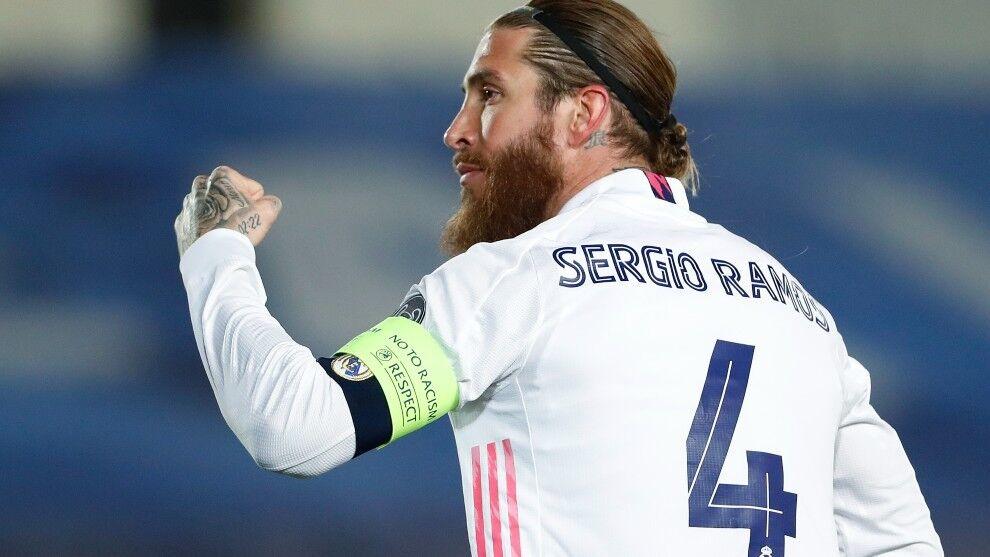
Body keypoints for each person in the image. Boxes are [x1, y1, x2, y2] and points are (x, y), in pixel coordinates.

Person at [174, 1, 942, 555]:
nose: (456, 130)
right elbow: (904, 542)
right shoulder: (802, 314)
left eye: (489, 94)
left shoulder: (518, 280)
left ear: (584, 115)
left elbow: (294, 423)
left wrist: (217, 252)